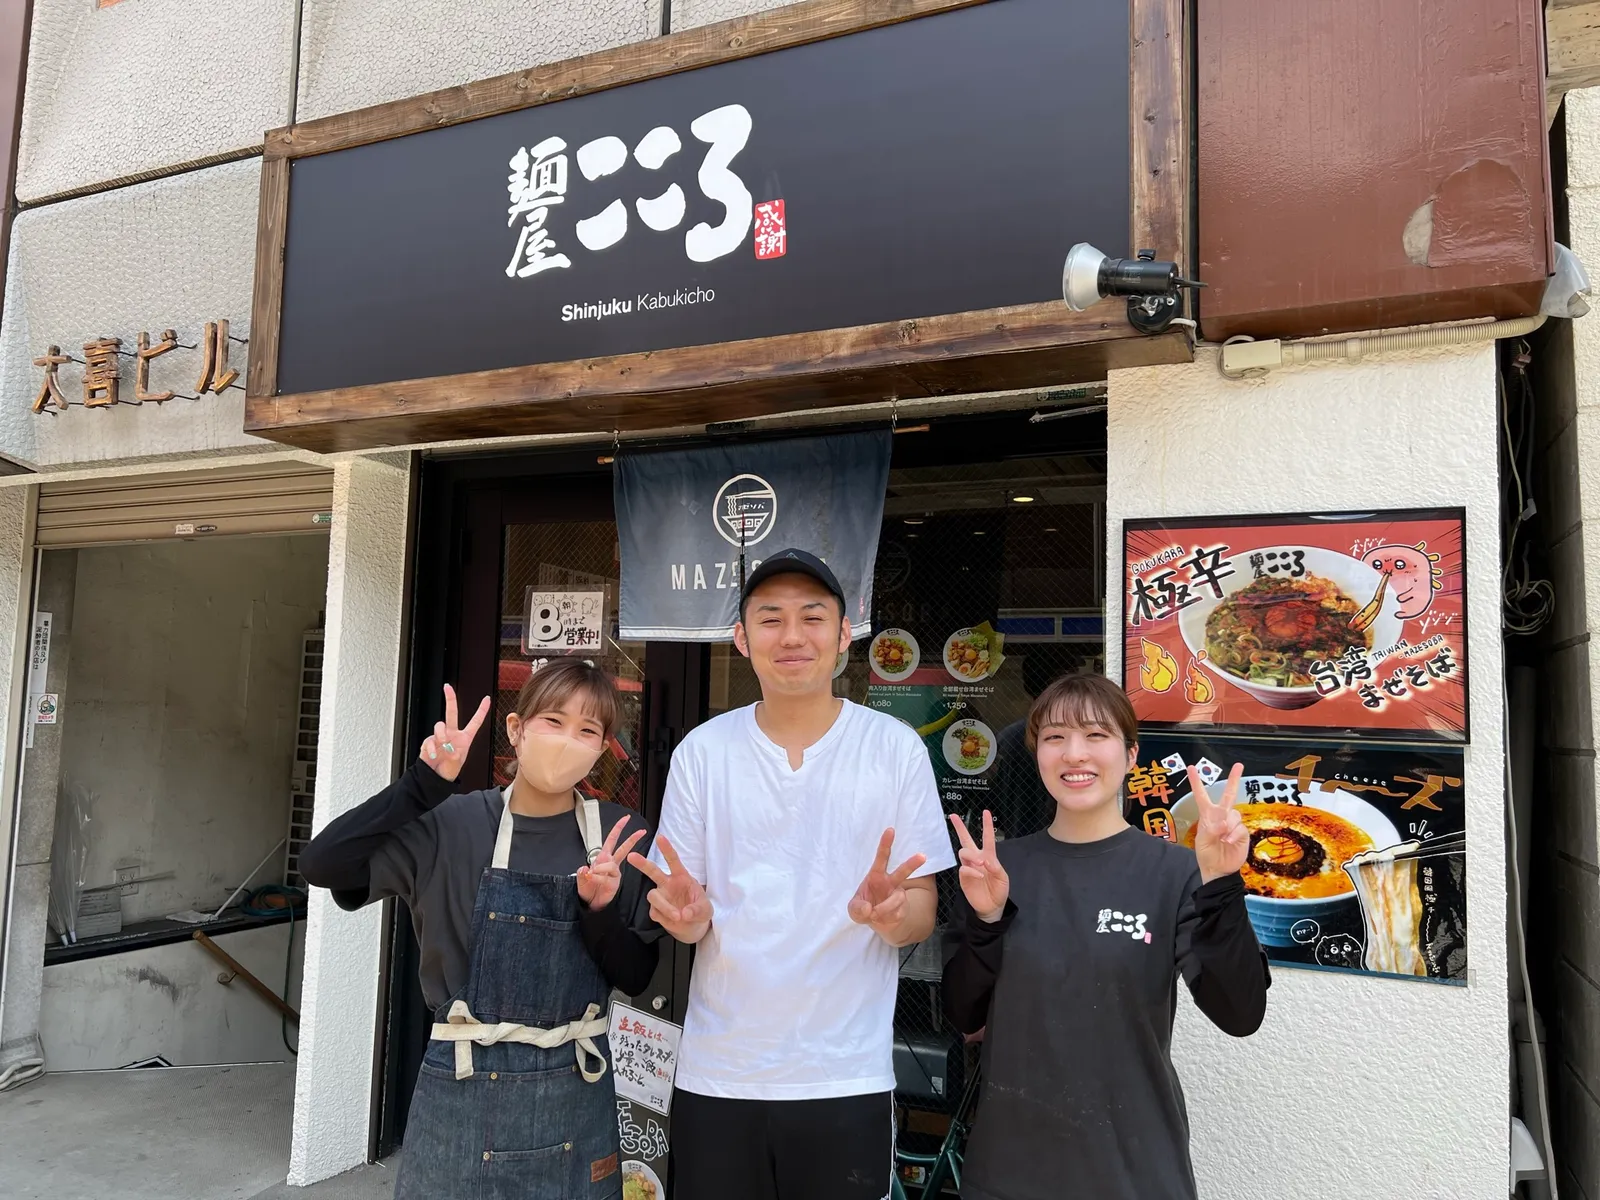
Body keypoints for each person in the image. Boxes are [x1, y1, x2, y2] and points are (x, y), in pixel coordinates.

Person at [626, 548, 958, 1200]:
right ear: (742, 639)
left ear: (843, 635)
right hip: (719, 1073)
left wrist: (893, 914)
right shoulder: (704, 753)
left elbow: (920, 908)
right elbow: (684, 914)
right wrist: (686, 919)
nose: (793, 635)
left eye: (812, 616)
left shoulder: (891, 749)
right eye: (771, 618)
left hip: (845, 1077)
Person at [299, 658, 659, 1199]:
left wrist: (600, 911)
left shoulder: (617, 837)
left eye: (588, 730)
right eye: (553, 721)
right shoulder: (452, 823)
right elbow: (323, 864)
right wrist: (423, 785)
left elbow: (636, 974)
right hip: (463, 1082)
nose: (568, 740)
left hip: (576, 1088)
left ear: (603, 747)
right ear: (516, 730)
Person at [941, 671, 1269, 1200]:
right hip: (1009, 1171)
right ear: (1036, 754)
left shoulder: (1174, 872)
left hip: (1133, 1170)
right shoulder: (1000, 871)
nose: (1075, 754)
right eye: (1054, 738)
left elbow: (1240, 1013)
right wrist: (985, 922)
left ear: (1131, 754)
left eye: (1096, 736)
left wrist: (1222, 886)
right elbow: (962, 1014)